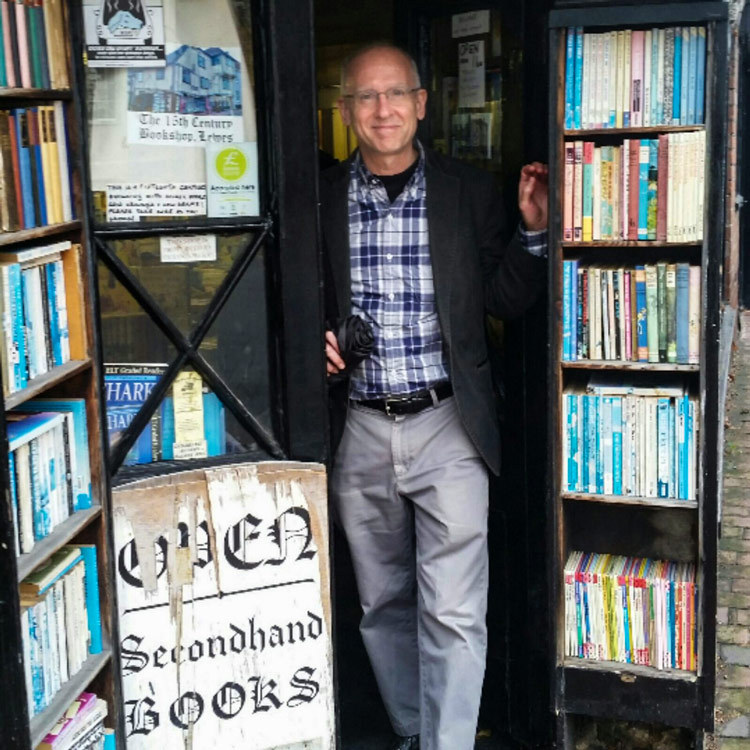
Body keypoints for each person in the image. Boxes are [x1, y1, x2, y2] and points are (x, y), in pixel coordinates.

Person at [320, 43, 548, 750]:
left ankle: (447, 744)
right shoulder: (319, 197)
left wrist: (535, 233)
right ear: (346, 110)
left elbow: (505, 300)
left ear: (423, 103)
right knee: (381, 603)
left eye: (396, 94)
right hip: (358, 425)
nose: (381, 110)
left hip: (449, 423)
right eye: (365, 96)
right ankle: (416, 732)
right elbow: (289, 296)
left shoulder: (469, 191)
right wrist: (313, 344)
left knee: (453, 610)